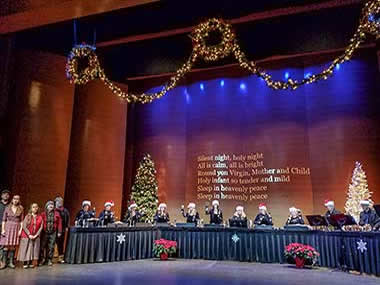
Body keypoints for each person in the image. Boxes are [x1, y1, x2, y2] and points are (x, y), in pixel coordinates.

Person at [0, 194, 24, 269]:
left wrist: (20, 230)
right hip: (8, 227)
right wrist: (3, 229)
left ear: (19, 200)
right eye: (14, 199)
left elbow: (21, 221)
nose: (16, 200)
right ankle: (4, 263)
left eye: (17, 199)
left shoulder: (21, 208)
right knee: (6, 245)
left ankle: (10, 262)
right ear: (12, 200)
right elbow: (4, 220)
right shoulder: (7, 208)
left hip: (16, 227)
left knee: (13, 246)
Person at [17, 203, 43, 269]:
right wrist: (29, 234)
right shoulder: (27, 216)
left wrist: (36, 235)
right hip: (26, 235)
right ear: (31, 209)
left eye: (36, 207)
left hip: (35, 236)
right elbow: (24, 226)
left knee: (33, 249)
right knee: (26, 248)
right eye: (33, 207)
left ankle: (31, 262)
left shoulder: (40, 217)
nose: (35, 208)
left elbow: (41, 227)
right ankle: (25, 262)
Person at [39, 201, 62, 266]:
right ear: (47, 206)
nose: (51, 206)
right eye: (49, 205)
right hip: (44, 232)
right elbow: (40, 222)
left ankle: (49, 259)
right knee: (42, 246)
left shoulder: (57, 213)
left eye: (52, 205)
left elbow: (59, 223)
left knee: (51, 246)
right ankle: (41, 260)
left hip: (53, 232)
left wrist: (59, 231)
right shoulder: (43, 214)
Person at [54, 196, 70, 263]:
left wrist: (66, 226)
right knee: (52, 243)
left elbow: (67, 218)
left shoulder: (65, 210)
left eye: (61, 201)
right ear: (56, 202)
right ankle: (51, 256)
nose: (60, 203)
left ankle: (60, 257)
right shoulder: (53, 210)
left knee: (60, 243)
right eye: (58, 201)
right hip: (54, 229)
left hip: (62, 229)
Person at [0, 189, 11, 269]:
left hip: (6, 226)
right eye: (4, 194)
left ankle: (4, 262)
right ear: (1, 195)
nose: (6, 195)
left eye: (7, 194)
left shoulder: (10, 205)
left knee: (4, 244)